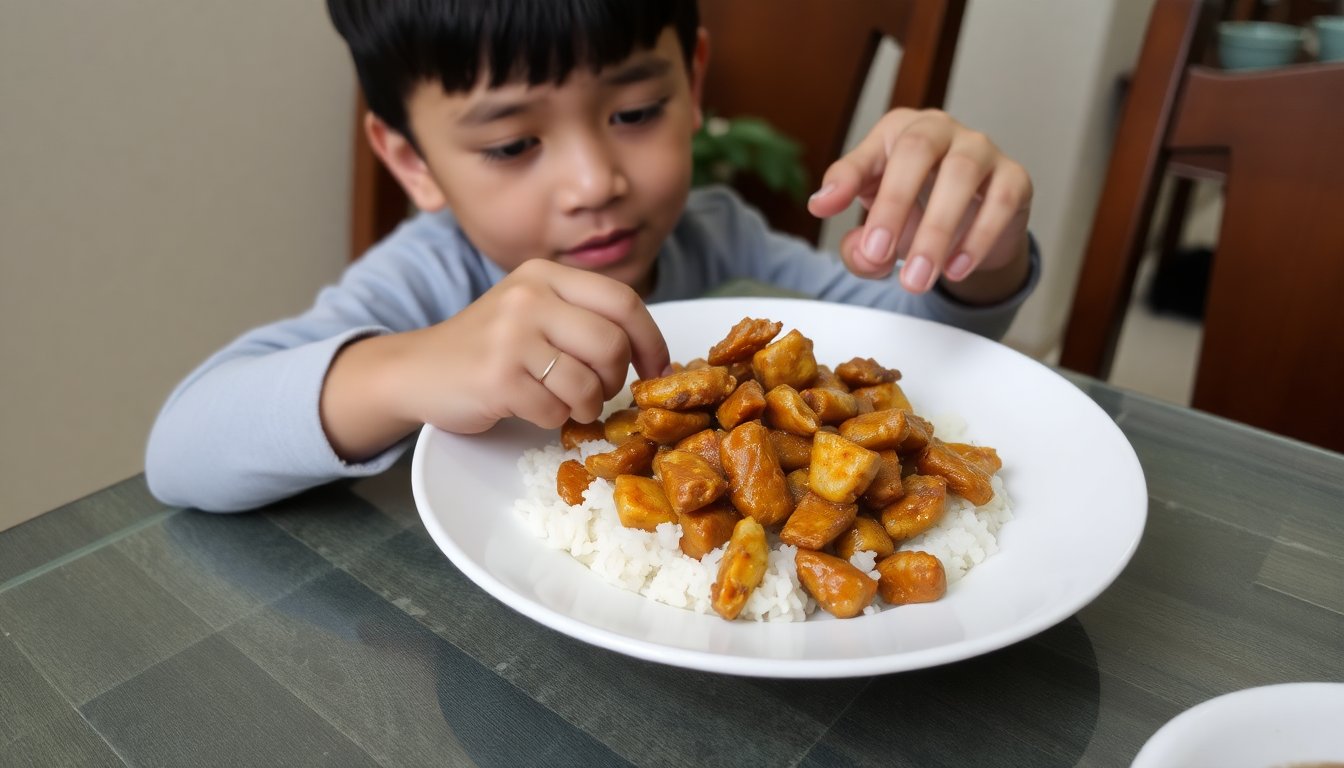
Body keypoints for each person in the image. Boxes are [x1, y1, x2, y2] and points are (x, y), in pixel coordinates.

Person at [146, 0, 1039, 512]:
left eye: (634, 112)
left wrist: (974, 256)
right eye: (510, 146)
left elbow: (908, 350)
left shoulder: (718, 238)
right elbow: (179, 449)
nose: (592, 181)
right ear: (411, 161)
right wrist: (407, 368)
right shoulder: (431, 279)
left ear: (692, 82)